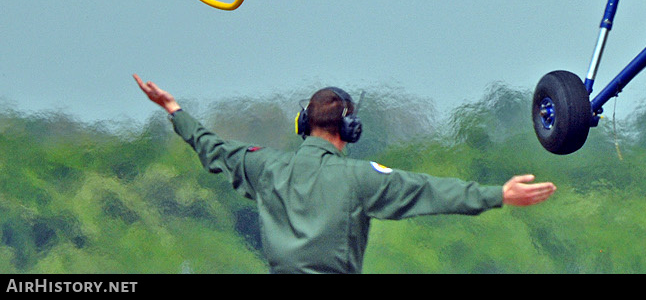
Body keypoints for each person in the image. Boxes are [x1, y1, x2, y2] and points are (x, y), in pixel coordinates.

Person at [134, 74, 555, 274]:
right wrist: (497, 194)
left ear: (303, 124)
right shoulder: (360, 178)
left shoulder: (266, 166)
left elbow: (212, 148)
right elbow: (429, 191)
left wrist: (174, 110)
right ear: (350, 129)